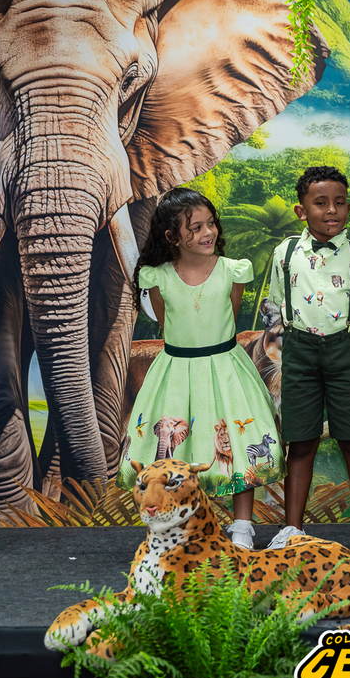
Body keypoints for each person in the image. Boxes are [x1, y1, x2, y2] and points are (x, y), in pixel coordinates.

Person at [118, 188, 283, 549]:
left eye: (211, 224)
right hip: (176, 372)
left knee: (237, 442)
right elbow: (167, 324)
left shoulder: (232, 272)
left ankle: (242, 526)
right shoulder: (157, 277)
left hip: (225, 369)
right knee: (176, 448)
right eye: (195, 228)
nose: (207, 233)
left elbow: (228, 316)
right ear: (172, 236)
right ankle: (180, 523)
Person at [266, 166, 350, 557]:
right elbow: (279, 301)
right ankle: (292, 528)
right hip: (298, 351)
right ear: (301, 211)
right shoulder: (285, 253)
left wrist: (340, 333)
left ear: (348, 207)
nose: (331, 210)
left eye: (339, 203)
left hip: (345, 350)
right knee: (300, 442)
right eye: (320, 203)